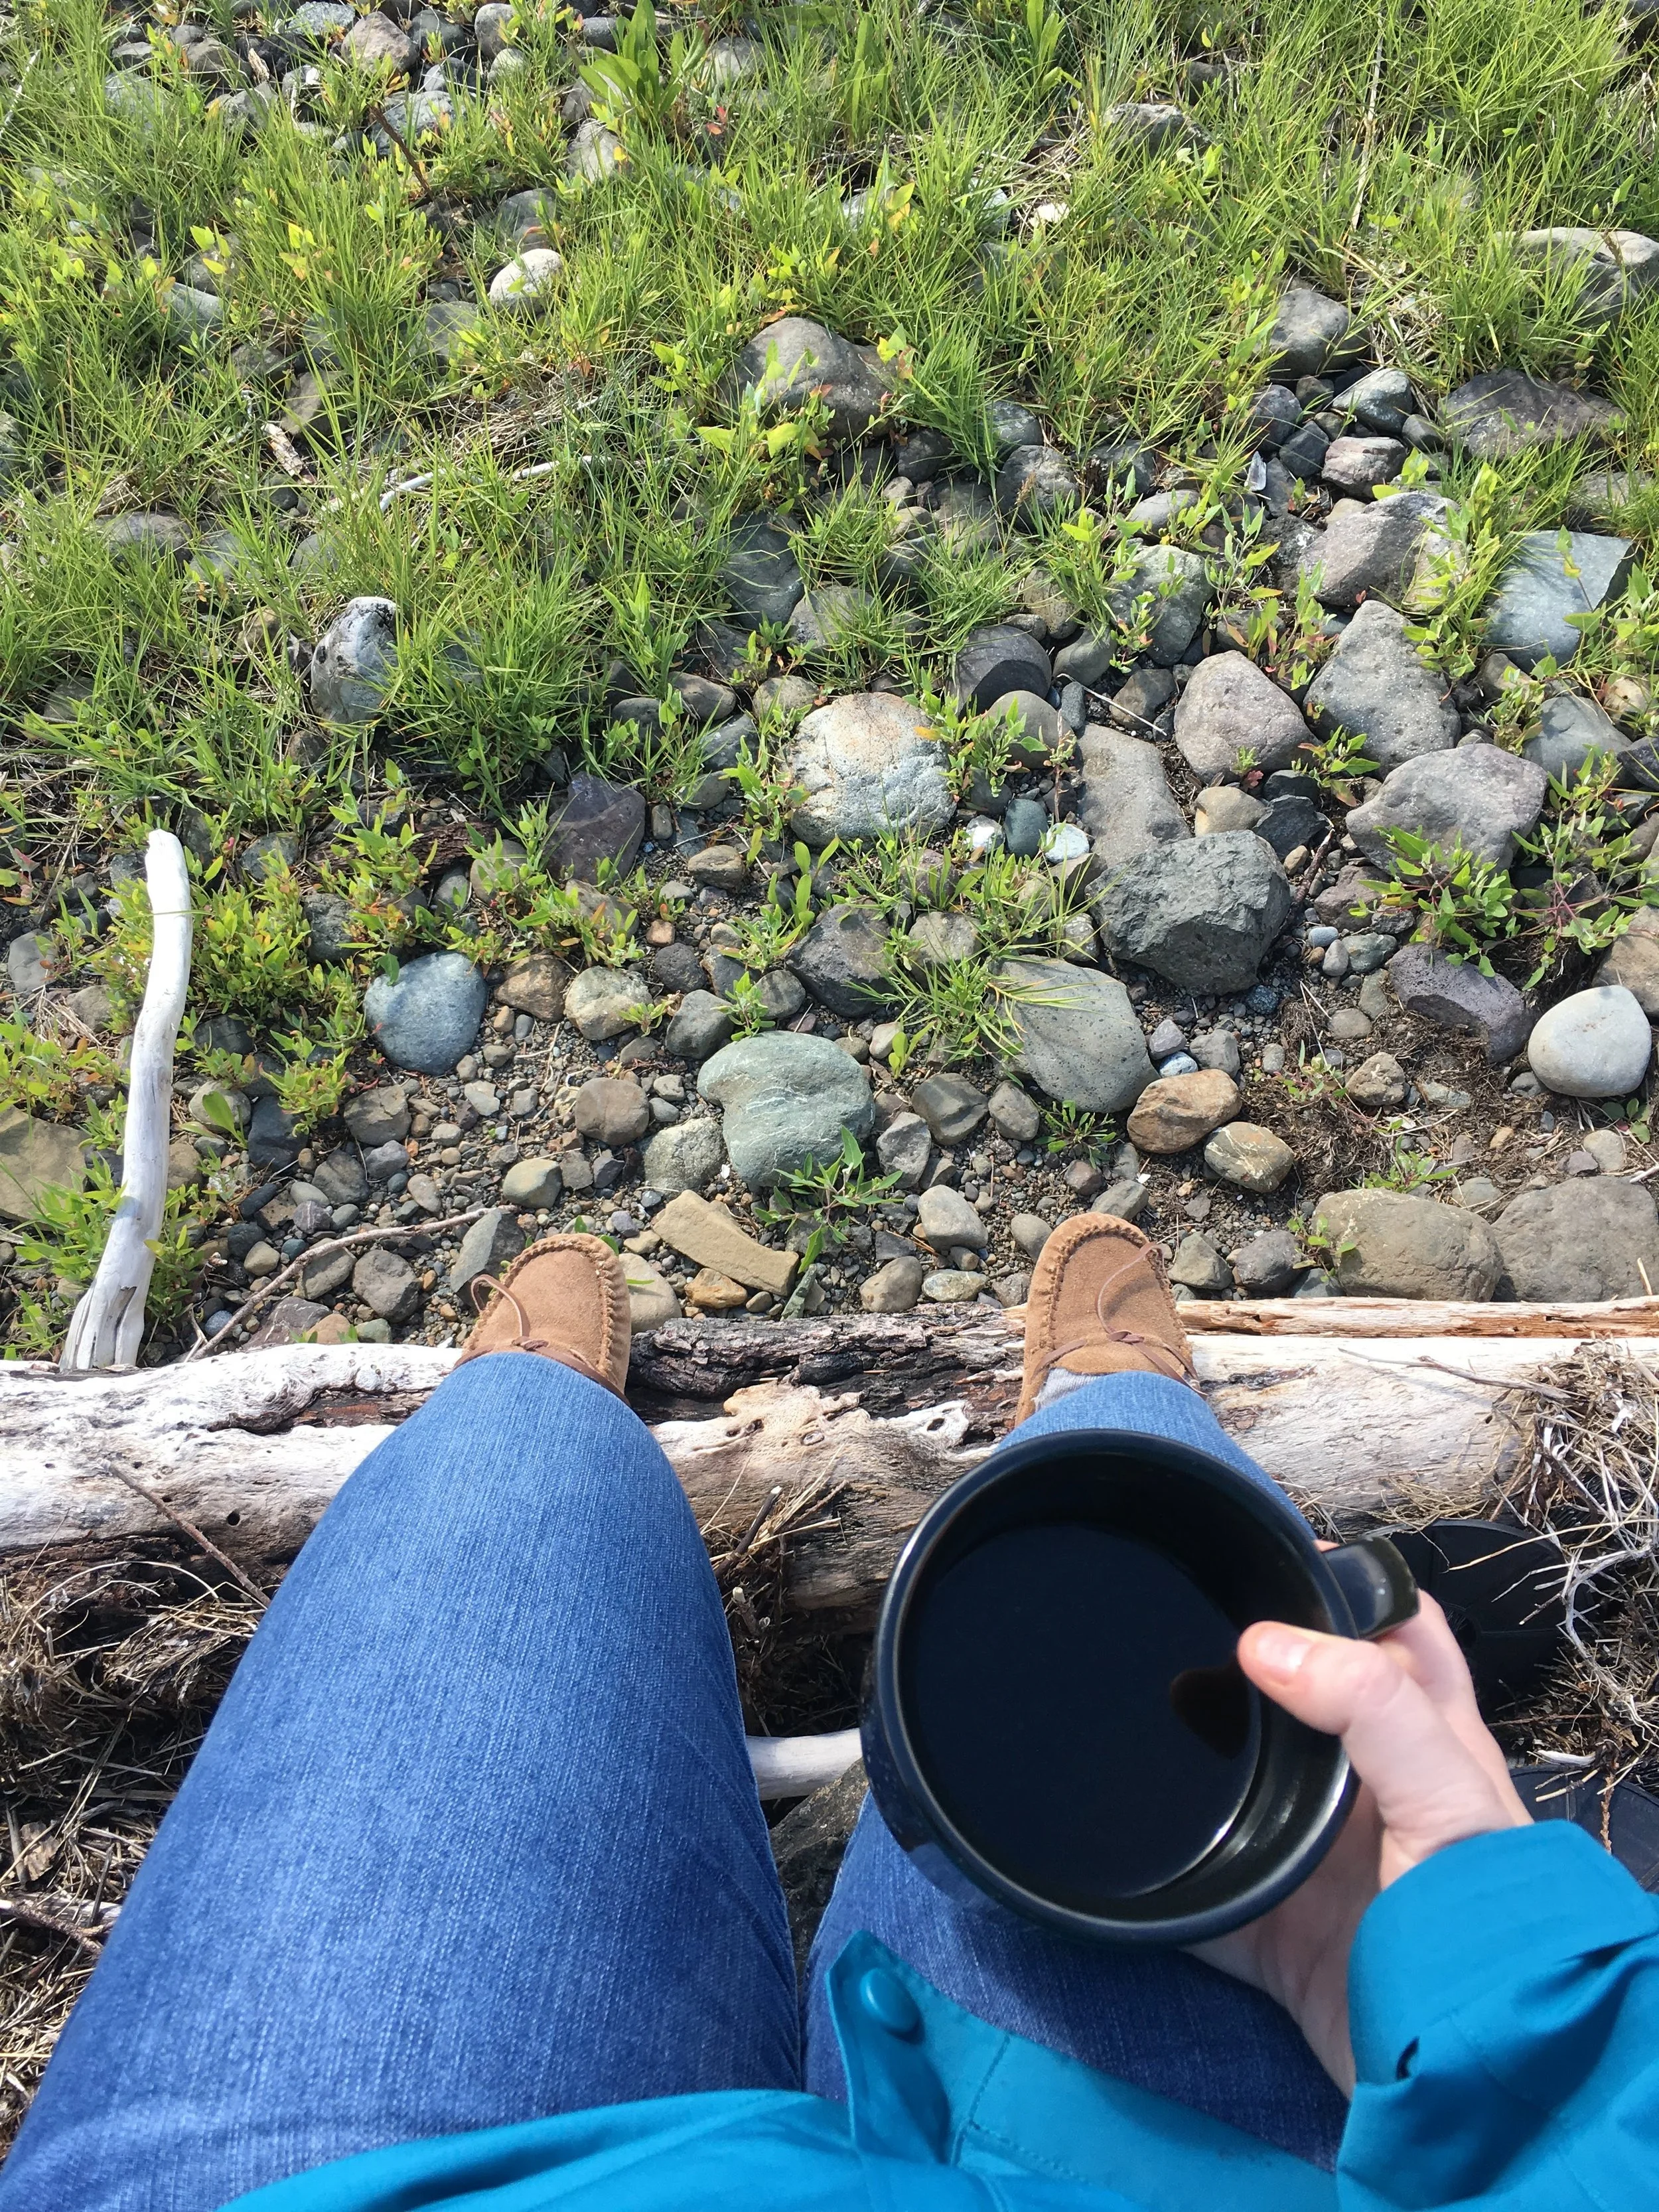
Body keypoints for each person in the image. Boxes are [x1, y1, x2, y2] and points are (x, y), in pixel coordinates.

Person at [2, 1217, 1656, 2212]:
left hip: (367, 2181)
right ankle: (1113, 1399)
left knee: (513, 1478)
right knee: (1170, 1487)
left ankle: (530, 1399)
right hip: (1203, 2162)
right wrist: (1488, 2027)